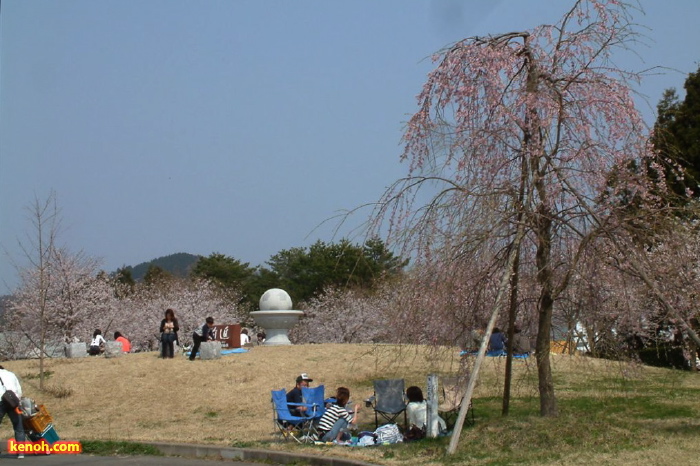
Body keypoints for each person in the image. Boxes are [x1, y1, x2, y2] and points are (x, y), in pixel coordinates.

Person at [0, 365, 27, 458]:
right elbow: (19, 390)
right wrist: (17, 401)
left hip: (1, 402)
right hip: (13, 402)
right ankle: (21, 453)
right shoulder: (11, 374)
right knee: (18, 426)